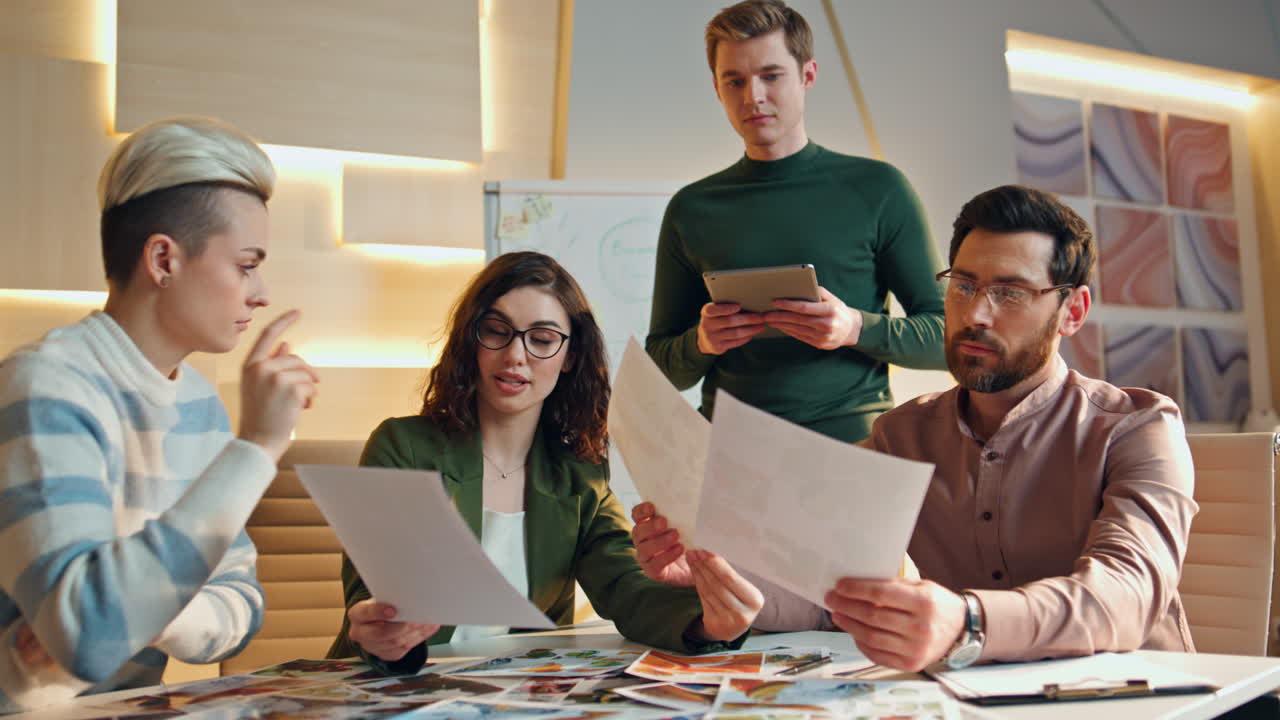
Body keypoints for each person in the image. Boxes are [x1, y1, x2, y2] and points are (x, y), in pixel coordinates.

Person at [636, 185, 1197, 671]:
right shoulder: (899, 437)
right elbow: (827, 594)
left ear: (1072, 312)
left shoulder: (1140, 428)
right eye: (965, 286)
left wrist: (968, 621)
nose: (976, 313)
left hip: (1142, 698)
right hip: (969, 697)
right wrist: (719, 569)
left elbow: (1126, 595)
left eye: (1010, 293)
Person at [0, 117, 318, 712]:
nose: (261, 292)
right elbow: (91, 638)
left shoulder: (198, 402)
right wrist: (256, 449)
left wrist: (138, 607)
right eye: (246, 264)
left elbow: (243, 605)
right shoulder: (43, 387)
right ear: (164, 260)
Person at [327, 251, 761, 675]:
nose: (516, 355)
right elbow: (372, 590)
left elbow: (625, 585)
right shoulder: (402, 446)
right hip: (401, 682)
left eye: (542, 339)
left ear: (569, 356)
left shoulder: (578, 471)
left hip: (514, 694)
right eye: (497, 331)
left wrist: (707, 624)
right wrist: (382, 630)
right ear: (470, 340)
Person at [646, 0, 946, 445]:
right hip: (729, 454)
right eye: (735, 81)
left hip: (851, 453)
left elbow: (948, 338)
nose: (753, 97)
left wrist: (852, 328)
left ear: (808, 75)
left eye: (771, 75)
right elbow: (662, 368)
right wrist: (703, 342)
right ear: (717, 88)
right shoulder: (691, 208)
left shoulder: (880, 189)